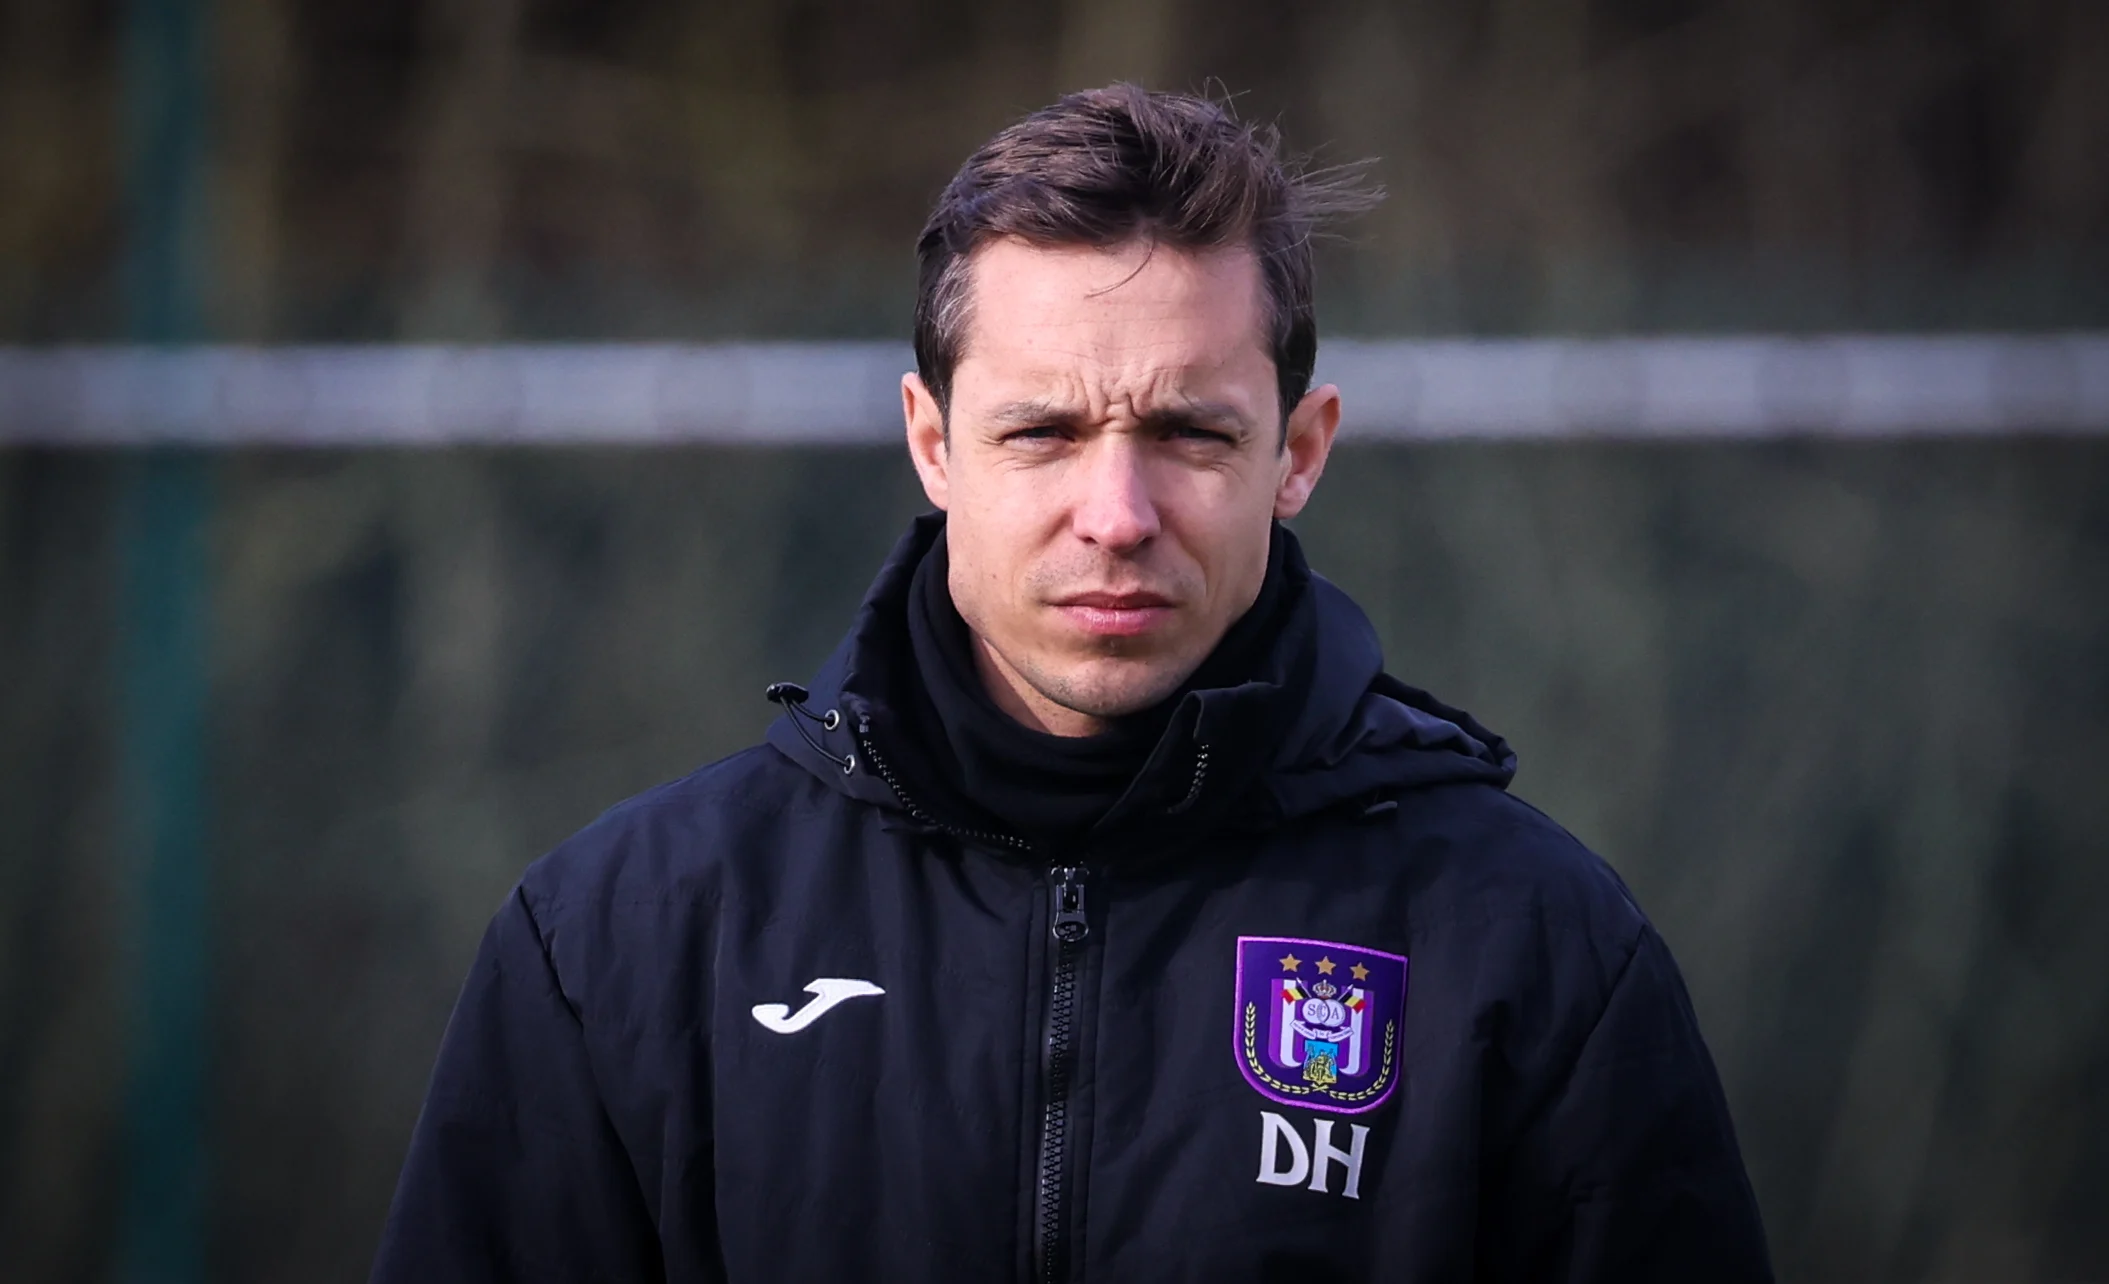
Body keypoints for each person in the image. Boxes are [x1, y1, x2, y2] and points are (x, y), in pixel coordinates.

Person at [372, 84, 1772, 1283]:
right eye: (1042, 429)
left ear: (1299, 451)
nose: (1116, 509)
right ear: (932, 443)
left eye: (1190, 433)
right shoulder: (625, 941)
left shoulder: (1530, 949)